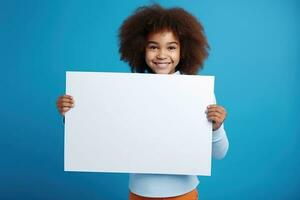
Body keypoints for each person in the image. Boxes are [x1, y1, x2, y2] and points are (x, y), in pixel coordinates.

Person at [56, 4, 229, 200]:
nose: (162, 55)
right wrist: (71, 115)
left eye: (171, 47)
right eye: (153, 47)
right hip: (139, 193)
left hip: (184, 194)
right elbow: (103, 131)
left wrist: (217, 127)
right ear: (140, 49)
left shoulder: (199, 94)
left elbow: (220, 153)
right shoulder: (127, 91)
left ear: (184, 50)